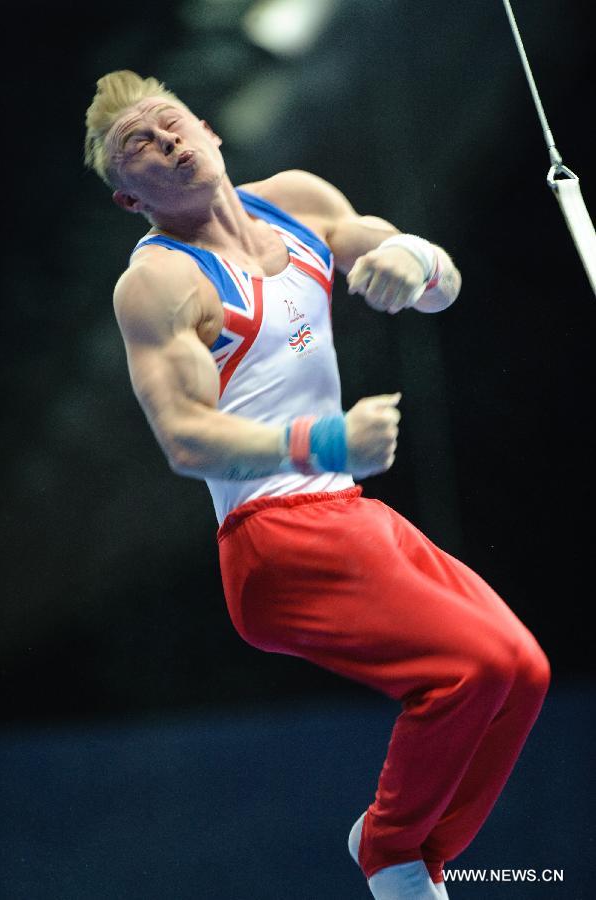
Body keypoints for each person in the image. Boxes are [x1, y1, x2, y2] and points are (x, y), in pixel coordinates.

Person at [85, 70, 550, 900]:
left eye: (168, 122)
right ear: (129, 198)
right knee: (473, 669)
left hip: (346, 512)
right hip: (274, 539)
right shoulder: (159, 283)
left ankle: (419, 860)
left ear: (209, 128)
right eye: (138, 148)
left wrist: (416, 259)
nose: (163, 141)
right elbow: (185, 439)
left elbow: (438, 285)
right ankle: (389, 849)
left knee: (521, 670)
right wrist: (325, 438)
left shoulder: (294, 199)